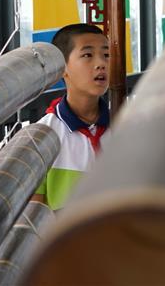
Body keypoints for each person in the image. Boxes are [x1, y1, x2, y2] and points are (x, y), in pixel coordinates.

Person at [31, 23, 111, 210]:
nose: (101, 63)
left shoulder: (128, 128)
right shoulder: (42, 137)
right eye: (87, 55)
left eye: (106, 55)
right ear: (63, 68)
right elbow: (33, 214)